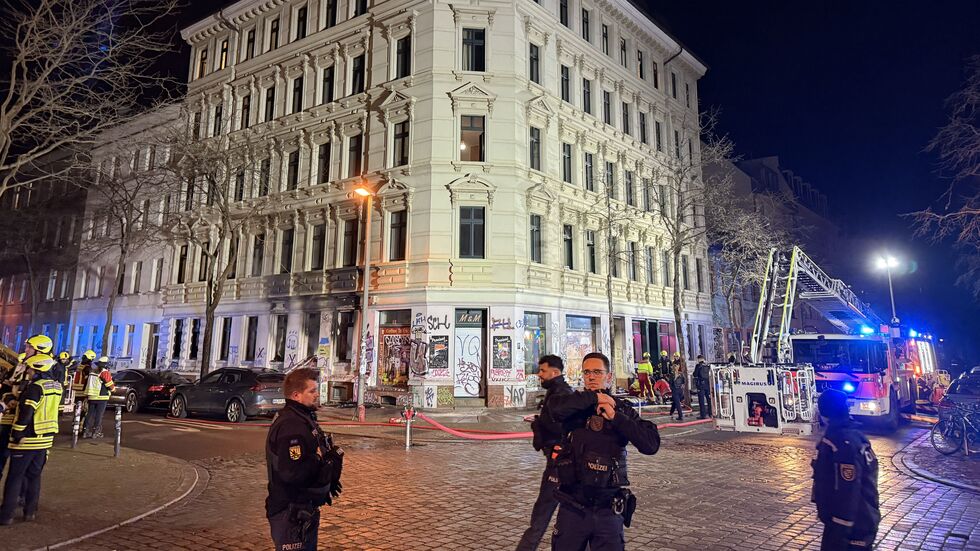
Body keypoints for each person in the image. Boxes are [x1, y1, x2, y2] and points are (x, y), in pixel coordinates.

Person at [548, 352, 660, 551]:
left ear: (608, 377)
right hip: (573, 507)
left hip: (608, 509)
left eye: (597, 372)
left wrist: (615, 416)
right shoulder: (574, 405)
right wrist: (594, 397)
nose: (591, 377)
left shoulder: (620, 409)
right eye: (587, 372)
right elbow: (554, 410)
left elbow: (650, 444)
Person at [266, 368, 343, 551]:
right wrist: (324, 465)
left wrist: (326, 480)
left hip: (301, 508)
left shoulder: (302, 418)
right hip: (291, 512)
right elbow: (292, 472)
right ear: (296, 395)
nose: (317, 395)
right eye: (311, 391)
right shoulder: (292, 426)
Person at [0, 336, 61, 525]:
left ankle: (10, 510)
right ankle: (27, 509)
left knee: (19, 474)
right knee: (23, 471)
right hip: (24, 426)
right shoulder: (22, 365)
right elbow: (8, 385)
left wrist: (18, 432)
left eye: (28, 347)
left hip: (25, 430)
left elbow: (29, 405)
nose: (25, 349)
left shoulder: (48, 373)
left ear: (39, 351)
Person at [811, 389, 880, 550]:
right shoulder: (854, 436)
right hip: (860, 521)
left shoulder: (840, 442)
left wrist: (841, 528)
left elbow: (848, 490)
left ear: (825, 412)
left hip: (850, 527)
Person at [517, 355, 573, 551]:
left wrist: (540, 425)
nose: (539, 374)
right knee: (568, 513)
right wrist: (539, 420)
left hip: (559, 461)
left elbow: (563, 427)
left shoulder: (561, 394)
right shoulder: (556, 391)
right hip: (557, 459)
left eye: (542, 371)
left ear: (554, 373)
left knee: (543, 512)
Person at [82, 356, 115, 439]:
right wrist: (113, 389)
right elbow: (110, 385)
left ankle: (85, 431)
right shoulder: (104, 372)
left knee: (89, 414)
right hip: (101, 397)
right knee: (99, 415)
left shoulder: (92, 371)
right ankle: (96, 432)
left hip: (92, 396)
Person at [693, 355, 712, 419]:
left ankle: (703, 415)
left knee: (701, 401)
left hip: (701, 385)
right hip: (708, 384)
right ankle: (710, 413)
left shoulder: (698, 366)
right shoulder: (708, 365)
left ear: (699, 359)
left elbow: (695, 374)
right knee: (709, 400)